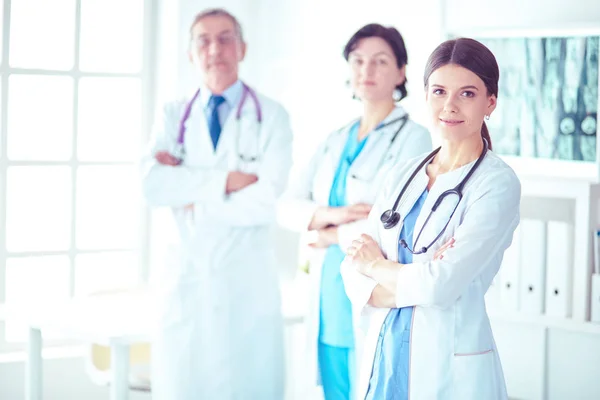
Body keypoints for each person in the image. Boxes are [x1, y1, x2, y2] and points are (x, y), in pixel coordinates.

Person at [342, 38, 521, 400]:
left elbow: (440, 285)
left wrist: (377, 265)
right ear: (425, 95)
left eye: (467, 94)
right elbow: (351, 268)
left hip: (448, 365)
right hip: (385, 355)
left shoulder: (496, 184)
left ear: (491, 102)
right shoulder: (404, 173)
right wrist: (416, 282)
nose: (450, 105)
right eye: (439, 91)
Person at [141, 8, 292, 400]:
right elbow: (153, 186)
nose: (215, 49)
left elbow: (265, 200)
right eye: (203, 40)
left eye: (225, 38)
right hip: (185, 280)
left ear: (242, 48)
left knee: (247, 385)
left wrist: (190, 194)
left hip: (246, 284)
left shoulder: (272, 117)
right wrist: (225, 181)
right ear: (191, 53)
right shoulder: (172, 115)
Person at [277, 24, 432, 400]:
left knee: (370, 383)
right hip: (327, 286)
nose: (367, 70)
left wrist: (328, 231)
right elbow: (285, 205)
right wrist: (336, 211)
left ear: (401, 72)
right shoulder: (336, 138)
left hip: (370, 282)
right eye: (358, 60)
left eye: (380, 61)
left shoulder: (414, 138)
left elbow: (393, 222)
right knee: (333, 383)